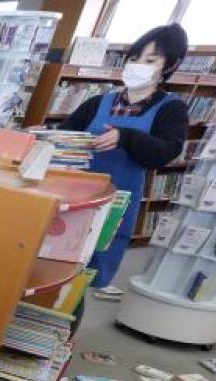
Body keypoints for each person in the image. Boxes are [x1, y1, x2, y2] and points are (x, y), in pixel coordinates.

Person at [59, 24, 189, 290]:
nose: (138, 65)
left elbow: (165, 152)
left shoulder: (171, 108)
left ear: (169, 65)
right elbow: (64, 135)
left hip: (115, 202)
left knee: (85, 278)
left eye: (150, 60)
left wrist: (126, 137)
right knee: (56, 262)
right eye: (134, 58)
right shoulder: (98, 101)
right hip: (72, 197)